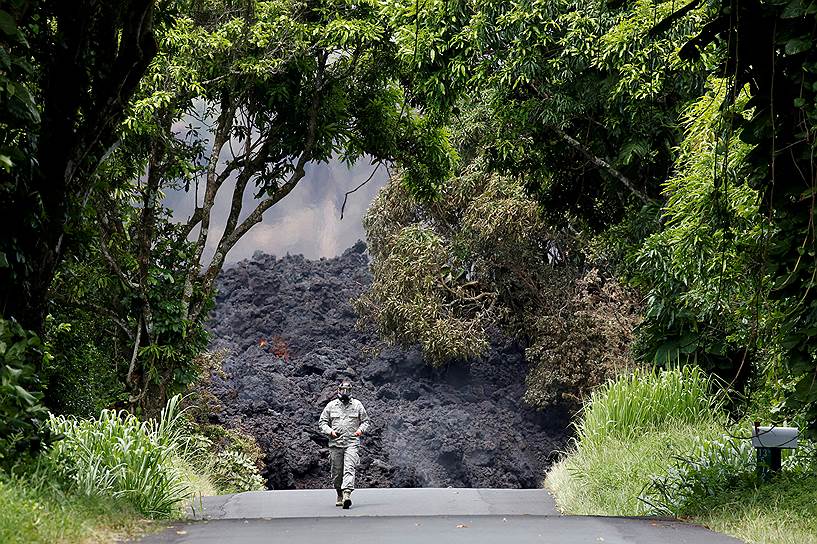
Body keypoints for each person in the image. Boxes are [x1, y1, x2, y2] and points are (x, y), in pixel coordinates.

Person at [318, 379, 370, 509]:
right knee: (336, 472)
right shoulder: (331, 406)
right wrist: (330, 431)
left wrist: (360, 430)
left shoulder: (357, 405)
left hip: (351, 443)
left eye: (348, 390)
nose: (345, 393)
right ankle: (339, 494)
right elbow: (322, 422)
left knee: (349, 468)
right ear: (338, 390)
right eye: (343, 390)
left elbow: (365, 421)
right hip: (335, 443)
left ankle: (347, 494)